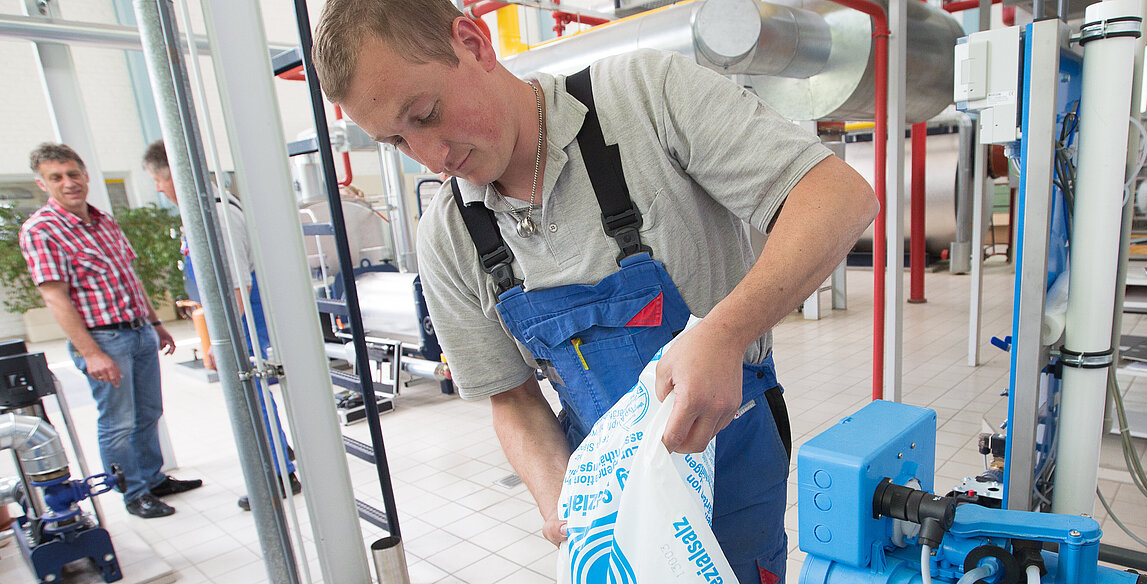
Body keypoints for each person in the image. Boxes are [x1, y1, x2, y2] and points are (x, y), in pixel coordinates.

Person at [316, 2, 878, 582]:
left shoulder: (644, 97)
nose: (433, 157)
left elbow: (838, 197)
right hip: (603, 497)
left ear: (473, 41)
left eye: (427, 113)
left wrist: (725, 334)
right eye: (397, 142)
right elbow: (511, 400)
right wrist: (561, 499)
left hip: (730, 458)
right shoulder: (448, 235)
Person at [20, 143, 203, 519]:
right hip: (103, 338)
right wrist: (90, 352)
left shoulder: (103, 220)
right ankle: (133, 494)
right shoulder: (41, 230)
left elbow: (130, 277)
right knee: (118, 422)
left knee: (149, 411)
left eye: (73, 174)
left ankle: (153, 478)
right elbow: (56, 298)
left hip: (138, 331)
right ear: (43, 184)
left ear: (85, 175)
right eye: (57, 177)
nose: (69, 183)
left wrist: (155, 324)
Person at [142, 140, 301, 512]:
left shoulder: (218, 214)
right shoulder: (202, 212)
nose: (157, 188)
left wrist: (222, 339)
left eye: (156, 180)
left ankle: (278, 472)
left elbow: (236, 285)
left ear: (172, 176)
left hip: (242, 319)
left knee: (251, 393)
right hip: (237, 318)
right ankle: (278, 451)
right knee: (254, 395)